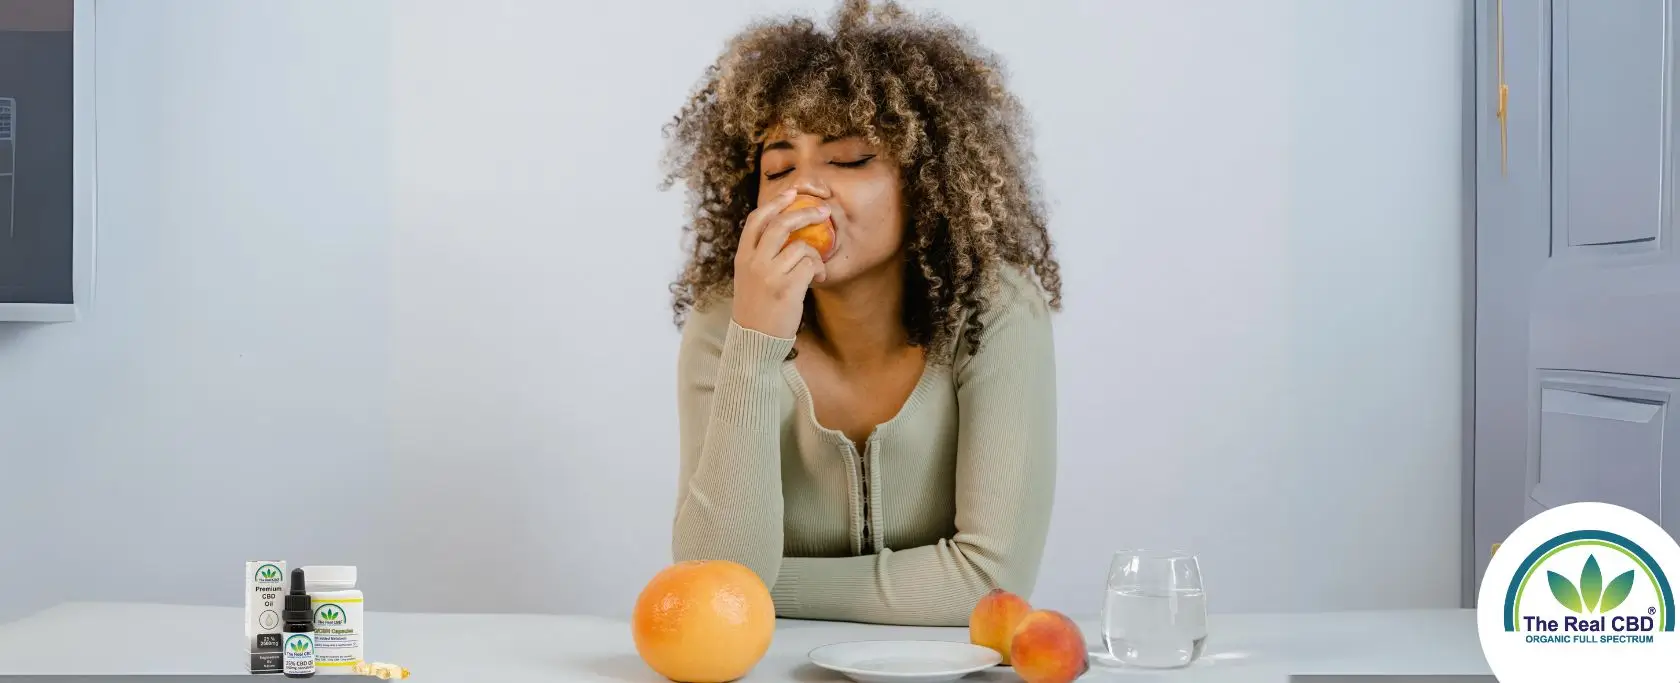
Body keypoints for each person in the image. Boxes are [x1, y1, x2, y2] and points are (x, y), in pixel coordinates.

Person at [659, 0, 1064, 627]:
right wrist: (756, 338)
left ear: (927, 181)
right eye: (778, 165)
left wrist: (767, 591)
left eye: (849, 159)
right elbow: (717, 585)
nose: (803, 188)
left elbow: (991, 581)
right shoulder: (725, 324)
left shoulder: (994, 310)